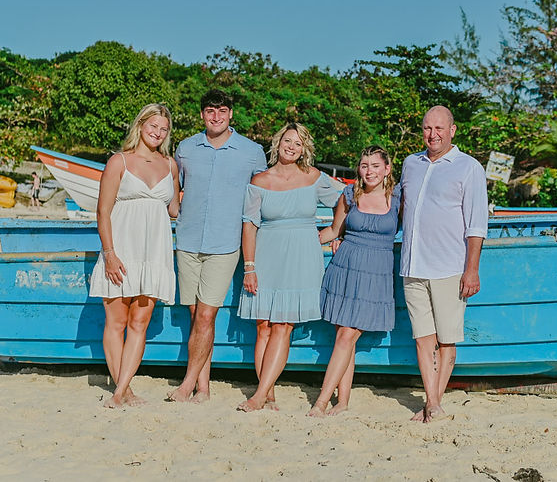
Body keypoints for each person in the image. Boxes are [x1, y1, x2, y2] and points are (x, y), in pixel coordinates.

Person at [167, 90, 267, 403]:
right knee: (196, 316)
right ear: (202, 115)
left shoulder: (252, 152)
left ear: (231, 114)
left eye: (222, 110)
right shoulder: (185, 148)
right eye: (210, 111)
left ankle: (187, 385)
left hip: (225, 245)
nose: (216, 116)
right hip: (187, 241)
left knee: (206, 317)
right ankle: (204, 388)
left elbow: (262, 199)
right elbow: (173, 191)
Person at [236, 122, 342, 411]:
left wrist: (334, 231)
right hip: (266, 255)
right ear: (278, 142)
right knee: (263, 326)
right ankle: (267, 394)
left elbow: (345, 200)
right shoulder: (259, 180)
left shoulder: (314, 177)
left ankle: (258, 395)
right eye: (287, 140)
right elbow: (249, 226)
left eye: (298, 143)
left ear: (303, 148)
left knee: (283, 325)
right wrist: (249, 267)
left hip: (301, 256)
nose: (291, 146)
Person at [88, 103, 179, 408]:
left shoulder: (170, 165)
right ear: (140, 125)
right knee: (116, 321)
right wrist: (109, 254)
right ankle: (122, 391)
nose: (158, 132)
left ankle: (121, 389)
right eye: (153, 126)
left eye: (164, 129)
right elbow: (103, 211)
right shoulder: (119, 162)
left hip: (154, 252)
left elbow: (173, 208)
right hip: (121, 249)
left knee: (140, 322)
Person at [400, 105, 487, 422]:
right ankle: (432, 403)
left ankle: (432, 404)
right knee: (422, 339)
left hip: (449, 267)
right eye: (426, 128)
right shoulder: (411, 164)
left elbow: (477, 224)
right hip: (412, 266)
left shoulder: (468, 167)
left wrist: (472, 269)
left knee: (446, 339)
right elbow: (397, 207)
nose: (432, 134)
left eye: (439, 128)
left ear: (452, 130)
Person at [307, 146, 401, 417]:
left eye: (374, 165)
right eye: (364, 165)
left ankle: (321, 402)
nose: (369, 171)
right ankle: (342, 401)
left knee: (347, 336)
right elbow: (334, 231)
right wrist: (301, 241)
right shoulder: (350, 195)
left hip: (376, 273)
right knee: (343, 337)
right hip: (346, 267)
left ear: (387, 169)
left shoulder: (398, 198)